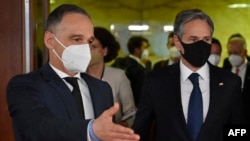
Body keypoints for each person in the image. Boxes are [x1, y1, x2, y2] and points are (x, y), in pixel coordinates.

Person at [6, 4, 139, 141]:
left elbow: (106, 133)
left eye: (89, 41)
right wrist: (90, 130)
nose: (84, 48)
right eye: (76, 39)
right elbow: (38, 129)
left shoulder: (102, 89)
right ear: (50, 41)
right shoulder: (25, 86)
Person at [132, 9, 244, 141]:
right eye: (193, 39)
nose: (200, 45)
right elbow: (139, 132)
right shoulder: (156, 81)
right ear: (178, 42)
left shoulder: (231, 82)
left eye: (206, 39)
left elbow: (238, 131)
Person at [87, 27, 136, 127]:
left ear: (105, 51)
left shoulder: (118, 76)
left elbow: (130, 112)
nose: (89, 51)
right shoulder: (76, 76)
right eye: (86, 47)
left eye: (94, 47)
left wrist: (121, 126)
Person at [112, 36, 150, 106]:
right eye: (144, 48)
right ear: (136, 50)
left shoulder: (147, 64)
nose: (147, 51)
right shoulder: (123, 63)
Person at [222, 33, 250, 123]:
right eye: (230, 53)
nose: (232, 56)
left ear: (245, 52)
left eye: (236, 53)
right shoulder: (226, 66)